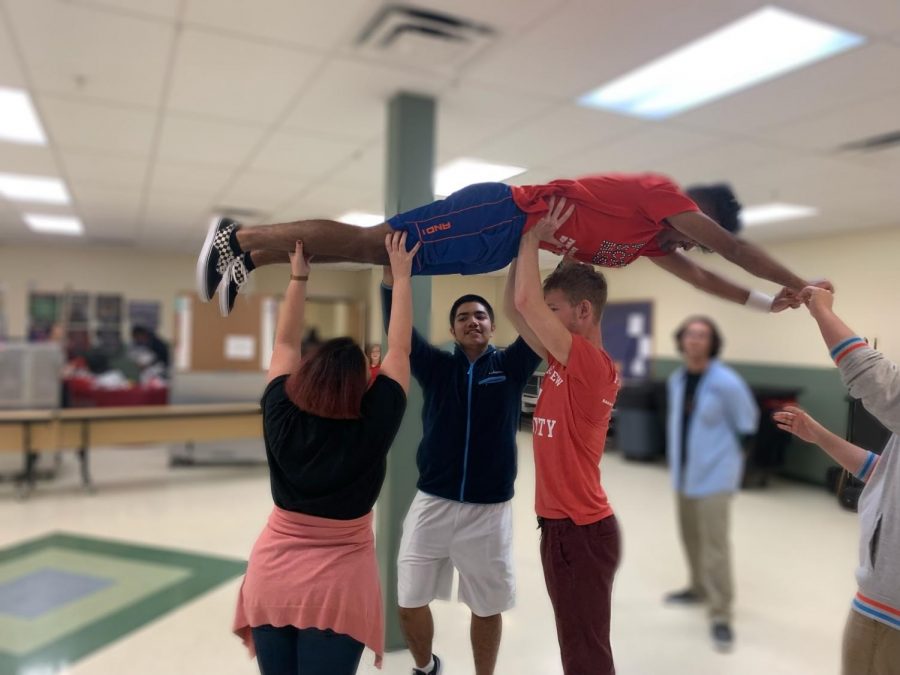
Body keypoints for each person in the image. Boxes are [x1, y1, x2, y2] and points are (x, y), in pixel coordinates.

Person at [197, 174, 831, 316]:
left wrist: (757, 304)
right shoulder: (661, 196)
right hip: (497, 214)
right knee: (376, 243)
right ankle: (239, 235)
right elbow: (732, 251)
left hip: (503, 245)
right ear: (698, 212)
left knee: (386, 257)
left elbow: (700, 277)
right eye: (700, 233)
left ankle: (248, 258)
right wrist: (794, 288)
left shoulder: (649, 243)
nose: (694, 245)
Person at [232, 232, 419, 674]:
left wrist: (298, 277)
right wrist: (404, 279)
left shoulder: (280, 411)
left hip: (272, 575)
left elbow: (283, 345)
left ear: (308, 373)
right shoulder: (374, 423)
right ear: (361, 384)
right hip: (338, 586)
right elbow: (400, 349)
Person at [380, 262, 542, 675]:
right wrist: (390, 280)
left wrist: (528, 262)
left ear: (491, 327)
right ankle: (426, 666)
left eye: (481, 315)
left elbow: (538, 315)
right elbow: (399, 332)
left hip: (488, 512)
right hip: (433, 501)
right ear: (452, 330)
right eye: (463, 317)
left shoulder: (511, 365)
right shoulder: (437, 368)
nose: (473, 321)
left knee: (487, 606)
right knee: (409, 598)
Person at [509, 198, 620, 674]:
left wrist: (531, 237)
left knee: (585, 653)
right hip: (562, 529)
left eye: (553, 311)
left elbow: (526, 304)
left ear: (582, 312)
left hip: (579, 532)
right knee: (578, 645)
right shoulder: (561, 362)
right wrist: (521, 246)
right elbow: (518, 311)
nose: (543, 318)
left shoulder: (592, 366)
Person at [773, 287, 900, 675]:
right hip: (877, 601)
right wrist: (819, 435)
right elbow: (886, 474)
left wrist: (822, 312)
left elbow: (875, 381)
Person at [664, 316, 758, 652]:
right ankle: (698, 588)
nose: (695, 340)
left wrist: (733, 469)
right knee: (690, 537)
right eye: (690, 334)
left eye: (702, 336)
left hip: (716, 475)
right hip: (685, 473)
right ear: (682, 340)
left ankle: (721, 613)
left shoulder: (727, 382)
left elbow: (747, 426)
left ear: (712, 342)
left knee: (715, 545)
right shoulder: (677, 380)